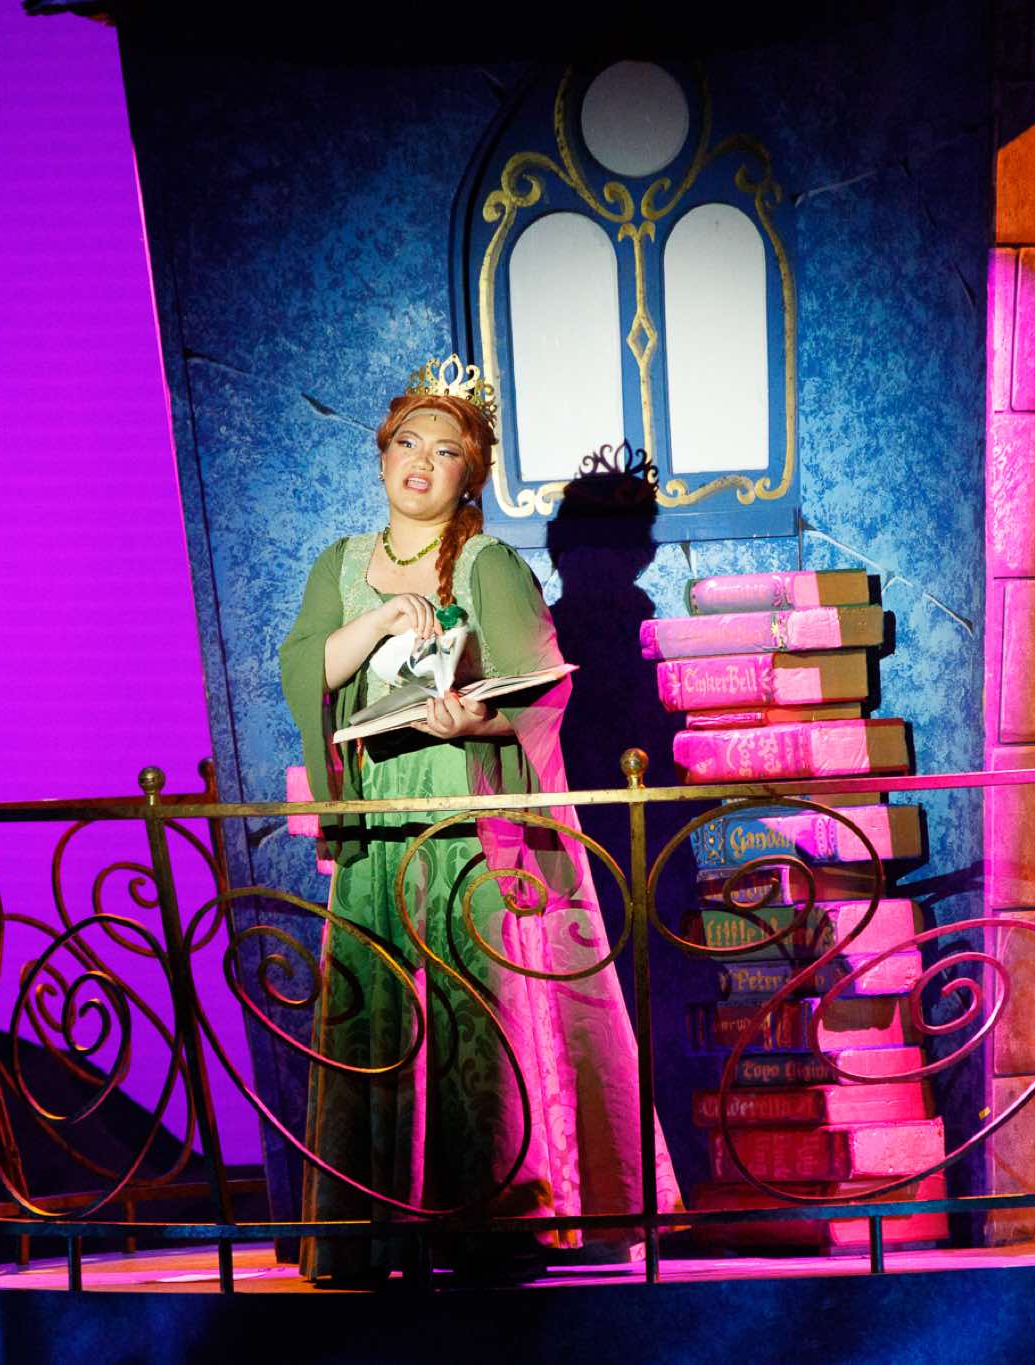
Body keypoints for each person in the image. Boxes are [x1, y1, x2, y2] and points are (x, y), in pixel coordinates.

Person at [278, 355, 679, 1286]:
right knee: (381, 1014)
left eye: (446, 450)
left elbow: (542, 693)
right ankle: (378, 1230)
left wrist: (472, 720)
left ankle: (493, 1222)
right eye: (408, 443)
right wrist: (380, 623)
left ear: (471, 474)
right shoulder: (340, 564)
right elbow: (305, 667)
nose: (421, 462)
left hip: (465, 827)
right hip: (379, 831)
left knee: (475, 1016)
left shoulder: (488, 563)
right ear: (383, 454)